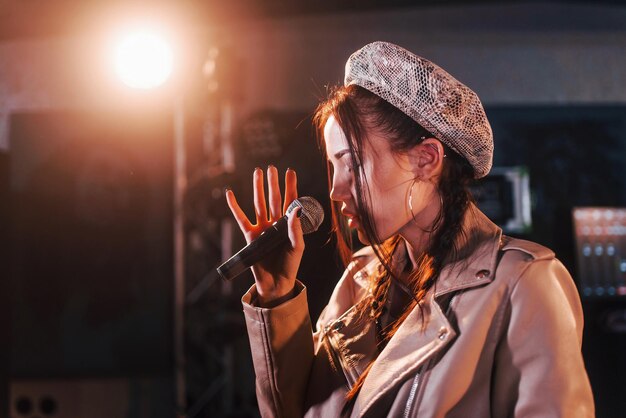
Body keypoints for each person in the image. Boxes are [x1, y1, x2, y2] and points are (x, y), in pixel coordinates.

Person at [225, 41, 595, 417]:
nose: (335, 191)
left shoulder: (524, 282)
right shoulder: (362, 276)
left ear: (426, 160)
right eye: (333, 168)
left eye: (351, 164)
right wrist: (276, 294)